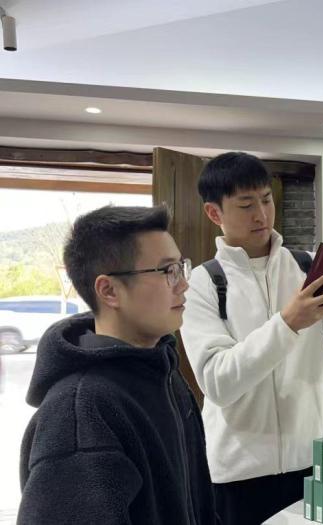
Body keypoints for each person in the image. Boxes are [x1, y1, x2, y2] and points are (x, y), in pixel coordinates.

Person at [181, 152, 323, 524]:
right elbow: (218, 383)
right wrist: (288, 323)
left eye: (266, 200)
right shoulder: (202, 283)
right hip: (238, 473)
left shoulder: (307, 267)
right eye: (246, 205)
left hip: (316, 461)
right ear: (214, 213)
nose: (261, 215)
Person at [18, 205, 217, 525]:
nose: (183, 284)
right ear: (109, 290)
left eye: (182, 267)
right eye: (168, 271)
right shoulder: (81, 411)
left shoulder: (164, 373)